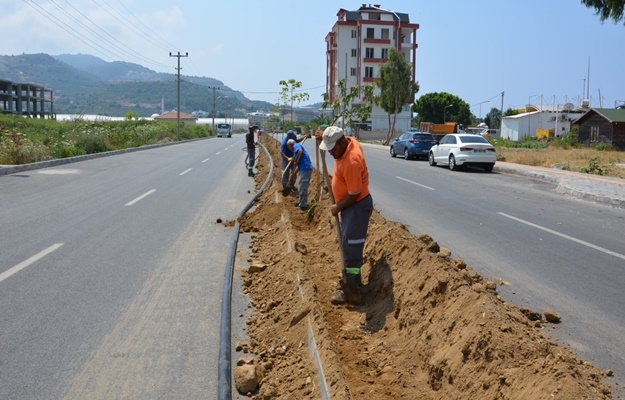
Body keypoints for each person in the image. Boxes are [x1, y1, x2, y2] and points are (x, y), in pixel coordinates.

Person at [318, 126, 373, 306]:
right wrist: (323, 138)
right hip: (351, 207)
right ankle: (352, 282)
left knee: (351, 247)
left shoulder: (351, 161)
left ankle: (353, 287)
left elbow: (354, 194)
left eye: (333, 148)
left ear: (342, 143)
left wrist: (338, 206)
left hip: (356, 206)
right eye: (329, 148)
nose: (331, 152)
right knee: (348, 243)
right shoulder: (348, 142)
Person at [286, 138, 313, 211]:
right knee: (301, 186)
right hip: (303, 168)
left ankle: (303, 205)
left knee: (303, 187)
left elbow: (300, 152)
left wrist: (296, 161)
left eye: (289, 147)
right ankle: (301, 202)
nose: (289, 149)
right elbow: (297, 166)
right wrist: (293, 174)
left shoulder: (296, 145)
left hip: (306, 168)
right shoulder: (296, 152)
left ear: (291, 145)